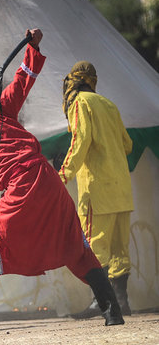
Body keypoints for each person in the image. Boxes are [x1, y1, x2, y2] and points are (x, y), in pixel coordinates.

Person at [0, 28, 124, 338]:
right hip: (48, 179)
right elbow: (22, 82)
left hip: (21, 187)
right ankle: (112, 310)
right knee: (75, 246)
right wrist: (33, 48)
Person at [60, 61, 134, 317]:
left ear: (73, 82)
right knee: (119, 249)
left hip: (97, 190)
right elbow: (127, 145)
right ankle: (121, 302)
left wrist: (63, 174)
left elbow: (80, 141)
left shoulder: (81, 102)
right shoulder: (109, 104)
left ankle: (100, 301)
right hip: (122, 188)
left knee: (95, 246)